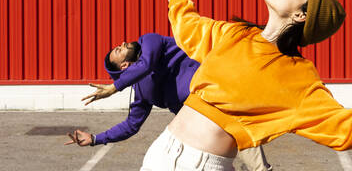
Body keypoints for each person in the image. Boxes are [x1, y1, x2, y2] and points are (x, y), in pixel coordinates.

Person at [85, 0, 352, 171]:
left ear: (300, 15)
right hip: (160, 153)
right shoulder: (237, 34)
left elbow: (343, 128)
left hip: (198, 164)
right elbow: (190, 29)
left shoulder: (297, 78)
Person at [64, 34, 272, 171]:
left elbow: (148, 64)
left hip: (220, 98)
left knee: (254, 159)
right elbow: (131, 125)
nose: (122, 44)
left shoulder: (150, 42)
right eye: (118, 50)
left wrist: (113, 88)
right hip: (198, 128)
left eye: (118, 45)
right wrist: (94, 139)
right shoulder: (142, 91)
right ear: (124, 66)